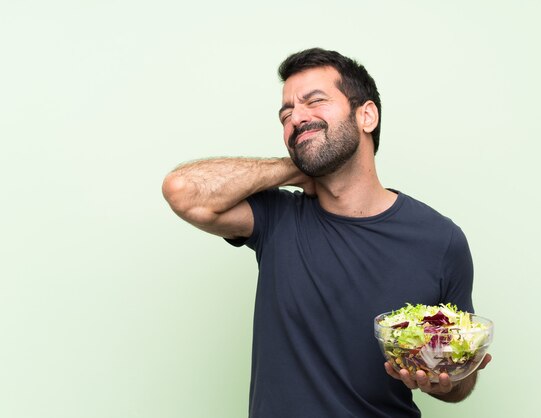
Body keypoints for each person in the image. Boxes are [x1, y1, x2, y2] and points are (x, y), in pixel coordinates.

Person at [162, 47, 491, 418]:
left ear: (366, 115)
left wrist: (442, 379)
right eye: (286, 114)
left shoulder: (440, 240)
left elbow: (461, 381)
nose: (296, 118)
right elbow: (183, 191)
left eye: (313, 102)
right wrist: (296, 168)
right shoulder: (277, 218)